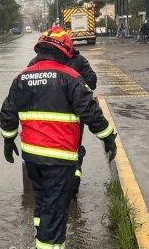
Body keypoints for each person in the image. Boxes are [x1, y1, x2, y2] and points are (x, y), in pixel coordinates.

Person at [0, 26, 117, 249]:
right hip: (60, 158)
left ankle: (43, 248)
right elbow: (90, 112)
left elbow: (7, 112)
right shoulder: (71, 78)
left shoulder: (21, 78)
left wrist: (8, 139)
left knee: (43, 204)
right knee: (55, 212)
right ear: (65, 51)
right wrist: (107, 137)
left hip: (32, 158)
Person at [28, 44, 98, 199]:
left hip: (42, 121)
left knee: (45, 152)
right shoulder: (78, 60)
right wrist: (77, 89)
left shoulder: (35, 62)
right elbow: (91, 82)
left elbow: (27, 89)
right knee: (72, 151)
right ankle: (72, 182)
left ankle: (49, 190)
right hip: (71, 119)